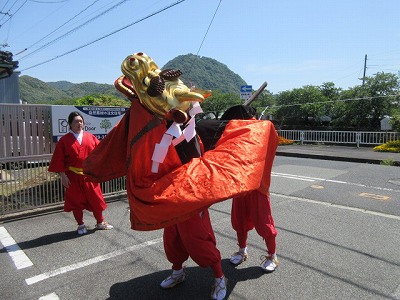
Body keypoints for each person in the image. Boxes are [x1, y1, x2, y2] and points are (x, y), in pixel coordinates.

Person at [220, 105, 279, 273]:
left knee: (264, 223)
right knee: (239, 221)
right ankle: (242, 250)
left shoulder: (263, 127)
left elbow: (271, 139)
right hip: (239, 185)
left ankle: (272, 255)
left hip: (258, 187)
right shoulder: (236, 130)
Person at [48, 111, 113, 235]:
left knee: (96, 199)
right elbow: (59, 159)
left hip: (89, 176)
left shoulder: (90, 137)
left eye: (81, 121)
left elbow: (100, 152)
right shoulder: (64, 140)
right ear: (70, 124)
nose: (79, 123)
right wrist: (63, 175)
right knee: (76, 201)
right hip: (73, 176)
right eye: (76, 121)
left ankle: (100, 222)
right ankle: (81, 225)